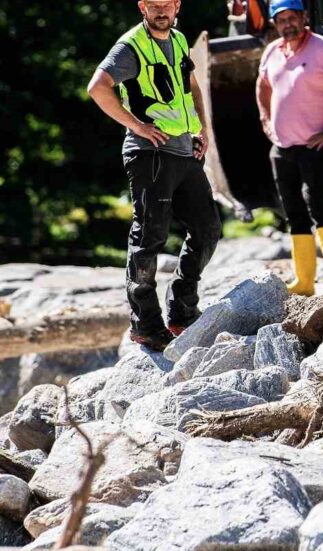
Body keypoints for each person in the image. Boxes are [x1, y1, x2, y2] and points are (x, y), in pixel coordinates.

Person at [87, 0, 221, 351]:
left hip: (184, 150)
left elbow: (190, 84)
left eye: (167, 3)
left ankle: (182, 310)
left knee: (207, 230)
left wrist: (202, 127)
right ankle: (145, 324)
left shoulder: (178, 39)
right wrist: (137, 126)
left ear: (177, 6)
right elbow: (97, 87)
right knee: (149, 237)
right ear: (142, 7)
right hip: (150, 154)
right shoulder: (130, 46)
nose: (161, 10)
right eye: (154, 4)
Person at [257, 0, 323, 296]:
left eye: (292, 17)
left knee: (317, 205)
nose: (287, 24)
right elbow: (262, 86)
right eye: (281, 19)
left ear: (304, 17)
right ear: (275, 24)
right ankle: (303, 282)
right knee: (293, 211)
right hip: (282, 146)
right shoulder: (272, 52)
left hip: (315, 144)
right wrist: (265, 118)